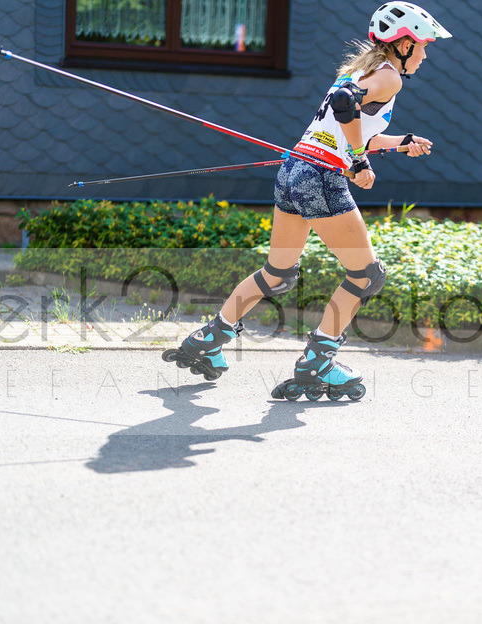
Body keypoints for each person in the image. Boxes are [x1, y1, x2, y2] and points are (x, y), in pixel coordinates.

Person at [162, 2, 451, 400]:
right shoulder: (389, 79)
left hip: (293, 172)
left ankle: (209, 338)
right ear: (402, 44)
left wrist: (399, 143)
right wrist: (361, 161)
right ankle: (318, 363)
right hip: (319, 178)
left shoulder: (362, 71)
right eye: (422, 45)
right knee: (367, 276)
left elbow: (353, 125)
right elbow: (345, 106)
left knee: (278, 273)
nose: (425, 53)